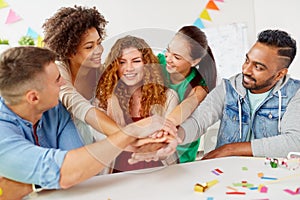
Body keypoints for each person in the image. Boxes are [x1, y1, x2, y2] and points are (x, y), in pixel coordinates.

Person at [0, 46, 177, 199]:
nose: (63, 83)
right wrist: (131, 131)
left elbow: (83, 164)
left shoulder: (55, 110)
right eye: (57, 80)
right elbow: (69, 171)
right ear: (33, 97)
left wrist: (147, 141)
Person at [131, 29, 300, 163]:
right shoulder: (228, 88)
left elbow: (294, 142)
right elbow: (198, 122)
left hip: (271, 175)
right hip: (227, 174)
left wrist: (230, 149)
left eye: (258, 67)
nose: (246, 70)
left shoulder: (295, 94)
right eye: (247, 60)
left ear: (280, 74)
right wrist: (173, 137)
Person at [95, 35, 180, 173]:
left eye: (136, 61)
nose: (129, 68)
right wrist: (111, 99)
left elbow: (168, 139)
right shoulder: (102, 102)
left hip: (158, 172)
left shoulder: (168, 97)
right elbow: (103, 143)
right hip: (116, 175)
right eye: (122, 62)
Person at [42, 5, 120, 144]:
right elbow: (80, 107)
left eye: (99, 43)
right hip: (64, 143)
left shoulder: (100, 73)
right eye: (89, 47)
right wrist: (125, 137)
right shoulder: (58, 72)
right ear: (69, 52)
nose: (99, 50)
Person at [158, 25, 217, 163]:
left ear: (194, 62)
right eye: (168, 51)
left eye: (177, 57)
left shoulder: (198, 86)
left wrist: (166, 126)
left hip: (180, 153)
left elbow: (186, 107)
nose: (169, 58)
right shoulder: (158, 63)